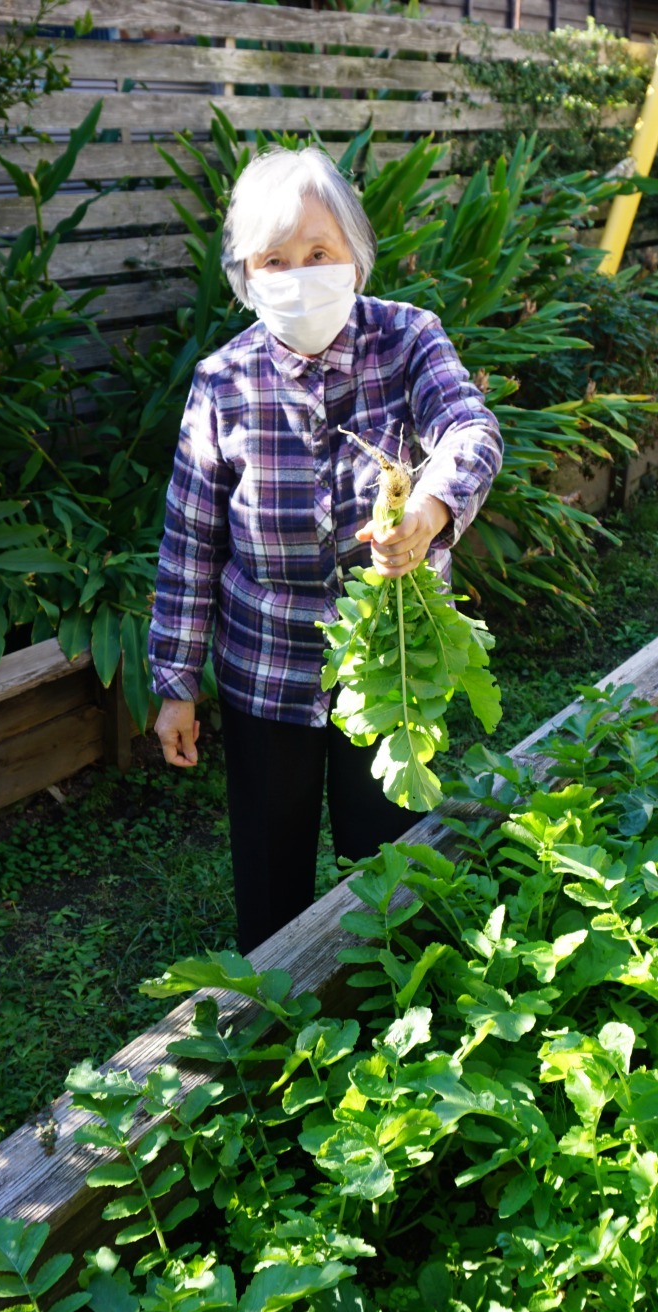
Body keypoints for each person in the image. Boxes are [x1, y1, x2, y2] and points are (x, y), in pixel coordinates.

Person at [146, 145, 503, 955]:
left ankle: (390, 1030)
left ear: (355, 256)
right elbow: (189, 540)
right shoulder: (222, 380)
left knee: (390, 865)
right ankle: (276, 1032)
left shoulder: (408, 339)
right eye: (276, 259)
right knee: (270, 878)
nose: (300, 274)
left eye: (318, 253)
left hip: (390, 662)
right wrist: (174, 682)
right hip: (266, 667)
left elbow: (471, 428)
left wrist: (432, 509)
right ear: (245, 272)